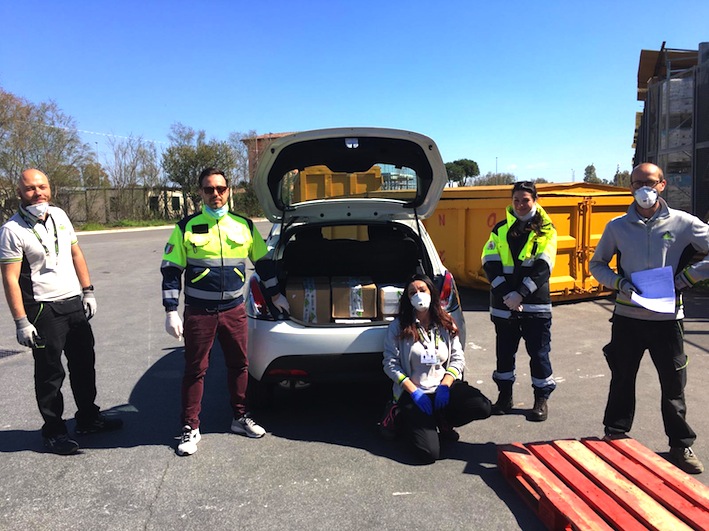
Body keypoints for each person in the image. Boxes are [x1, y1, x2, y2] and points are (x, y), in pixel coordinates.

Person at [589, 162, 709, 475]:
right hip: (628, 317)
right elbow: (597, 264)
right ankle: (615, 433)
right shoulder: (617, 226)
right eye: (638, 182)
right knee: (622, 378)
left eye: (651, 182)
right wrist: (619, 283)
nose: (645, 187)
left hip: (668, 320)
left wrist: (687, 279)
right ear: (631, 186)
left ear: (663, 185)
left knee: (673, 385)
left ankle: (680, 443)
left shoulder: (682, 222)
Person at [161, 167, 289, 456]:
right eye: (209, 189)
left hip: (233, 310)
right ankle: (190, 427)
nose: (215, 194)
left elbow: (264, 263)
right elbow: (171, 271)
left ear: (228, 191)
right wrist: (171, 310)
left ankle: (240, 417)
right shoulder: (186, 227)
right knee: (196, 369)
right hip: (199, 312)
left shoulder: (243, 225)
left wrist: (276, 294)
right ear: (201, 193)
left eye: (220, 188)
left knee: (239, 365)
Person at [0, 169, 123, 455]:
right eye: (30, 188)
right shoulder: (12, 230)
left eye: (42, 186)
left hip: (73, 303)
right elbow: (10, 279)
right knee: (50, 373)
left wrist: (88, 290)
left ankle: (88, 418)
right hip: (43, 308)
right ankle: (53, 431)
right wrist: (21, 321)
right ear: (19, 192)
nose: (37, 193)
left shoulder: (59, 216)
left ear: (50, 188)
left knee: (84, 364)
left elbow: (76, 253)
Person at [382, 274, 491, 463]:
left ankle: (443, 419)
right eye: (412, 292)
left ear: (431, 292)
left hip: (441, 387)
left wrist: (445, 386)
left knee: (482, 406)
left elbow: (458, 358)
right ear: (407, 298)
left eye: (422, 290)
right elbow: (390, 364)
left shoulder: (445, 322)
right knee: (428, 454)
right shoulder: (398, 327)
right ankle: (400, 414)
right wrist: (414, 392)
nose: (418, 295)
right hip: (414, 393)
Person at [481, 181, 557, 421]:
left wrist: (521, 293)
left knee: (539, 353)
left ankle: (540, 401)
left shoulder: (546, 230)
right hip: (504, 305)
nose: (521, 205)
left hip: (535, 304)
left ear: (535, 200)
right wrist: (506, 294)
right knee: (504, 353)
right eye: (516, 200)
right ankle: (504, 398)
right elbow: (489, 261)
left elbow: (544, 266)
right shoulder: (500, 228)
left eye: (525, 200)